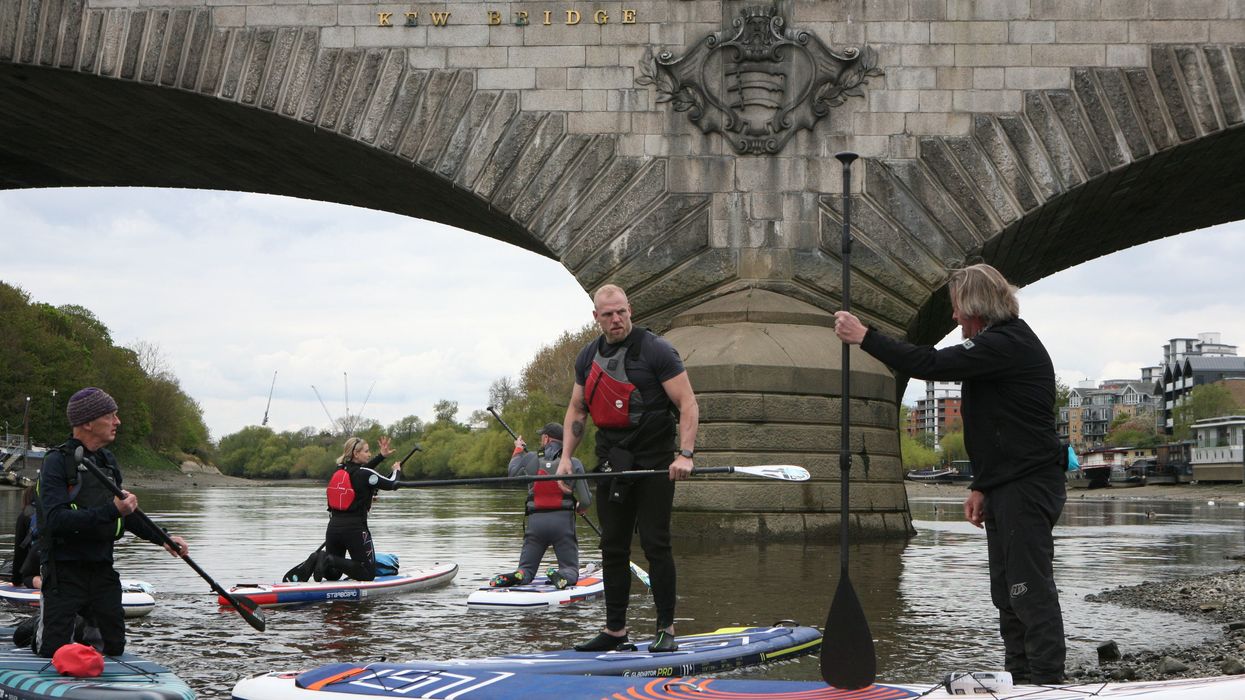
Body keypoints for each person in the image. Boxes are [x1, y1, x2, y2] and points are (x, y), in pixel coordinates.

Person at [833, 263, 1066, 684]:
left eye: (957, 308)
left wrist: (865, 337)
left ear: (976, 305)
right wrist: (982, 485)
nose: (954, 317)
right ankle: (1022, 676)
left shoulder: (1008, 343)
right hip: (1008, 483)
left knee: (1027, 587)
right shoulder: (997, 347)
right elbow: (999, 426)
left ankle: (1048, 681)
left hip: (1029, 484)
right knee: (1006, 591)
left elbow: (931, 363)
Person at [557, 284, 699, 653]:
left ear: (630, 310)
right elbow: (577, 409)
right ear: (596, 318)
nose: (616, 319)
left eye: (621, 312)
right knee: (612, 547)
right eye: (608, 314)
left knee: (656, 544)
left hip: (654, 462)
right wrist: (565, 460)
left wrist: (684, 454)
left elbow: (687, 402)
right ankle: (615, 632)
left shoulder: (657, 349)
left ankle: (665, 628)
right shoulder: (588, 357)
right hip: (612, 462)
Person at [34, 387, 188, 658]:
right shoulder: (56, 462)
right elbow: (57, 519)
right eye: (111, 415)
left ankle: (82, 634)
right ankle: (36, 629)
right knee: (53, 652)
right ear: (88, 423)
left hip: (102, 569)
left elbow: (126, 514)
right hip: (64, 572)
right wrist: (112, 510)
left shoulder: (107, 461)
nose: (118, 422)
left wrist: (163, 538)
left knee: (114, 647)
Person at [489, 423, 591, 590]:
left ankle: (520, 574)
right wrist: (580, 508)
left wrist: (518, 451)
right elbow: (586, 500)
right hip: (562, 524)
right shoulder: (573, 462)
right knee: (570, 569)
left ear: (546, 438)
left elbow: (512, 474)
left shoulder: (530, 459)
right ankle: (561, 575)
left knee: (527, 569)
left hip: (535, 525)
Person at [320, 436, 402, 581]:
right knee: (367, 574)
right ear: (356, 454)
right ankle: (329, 559)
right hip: (355, 529)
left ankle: (322, 559)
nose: (369, 454)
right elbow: (392, 483)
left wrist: (381, 456)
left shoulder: (340, 470)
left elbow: (360, 474)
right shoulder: (364, 474)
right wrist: (397, 470)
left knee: (333, 575)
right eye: (366, 451)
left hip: (333, 528)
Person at [11, 484, 41, 588]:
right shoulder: (55, 511)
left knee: (27, 578)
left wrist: (16, 580)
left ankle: (42, 582)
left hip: (39, 559)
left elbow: (20, 552)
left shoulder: (24, 515)